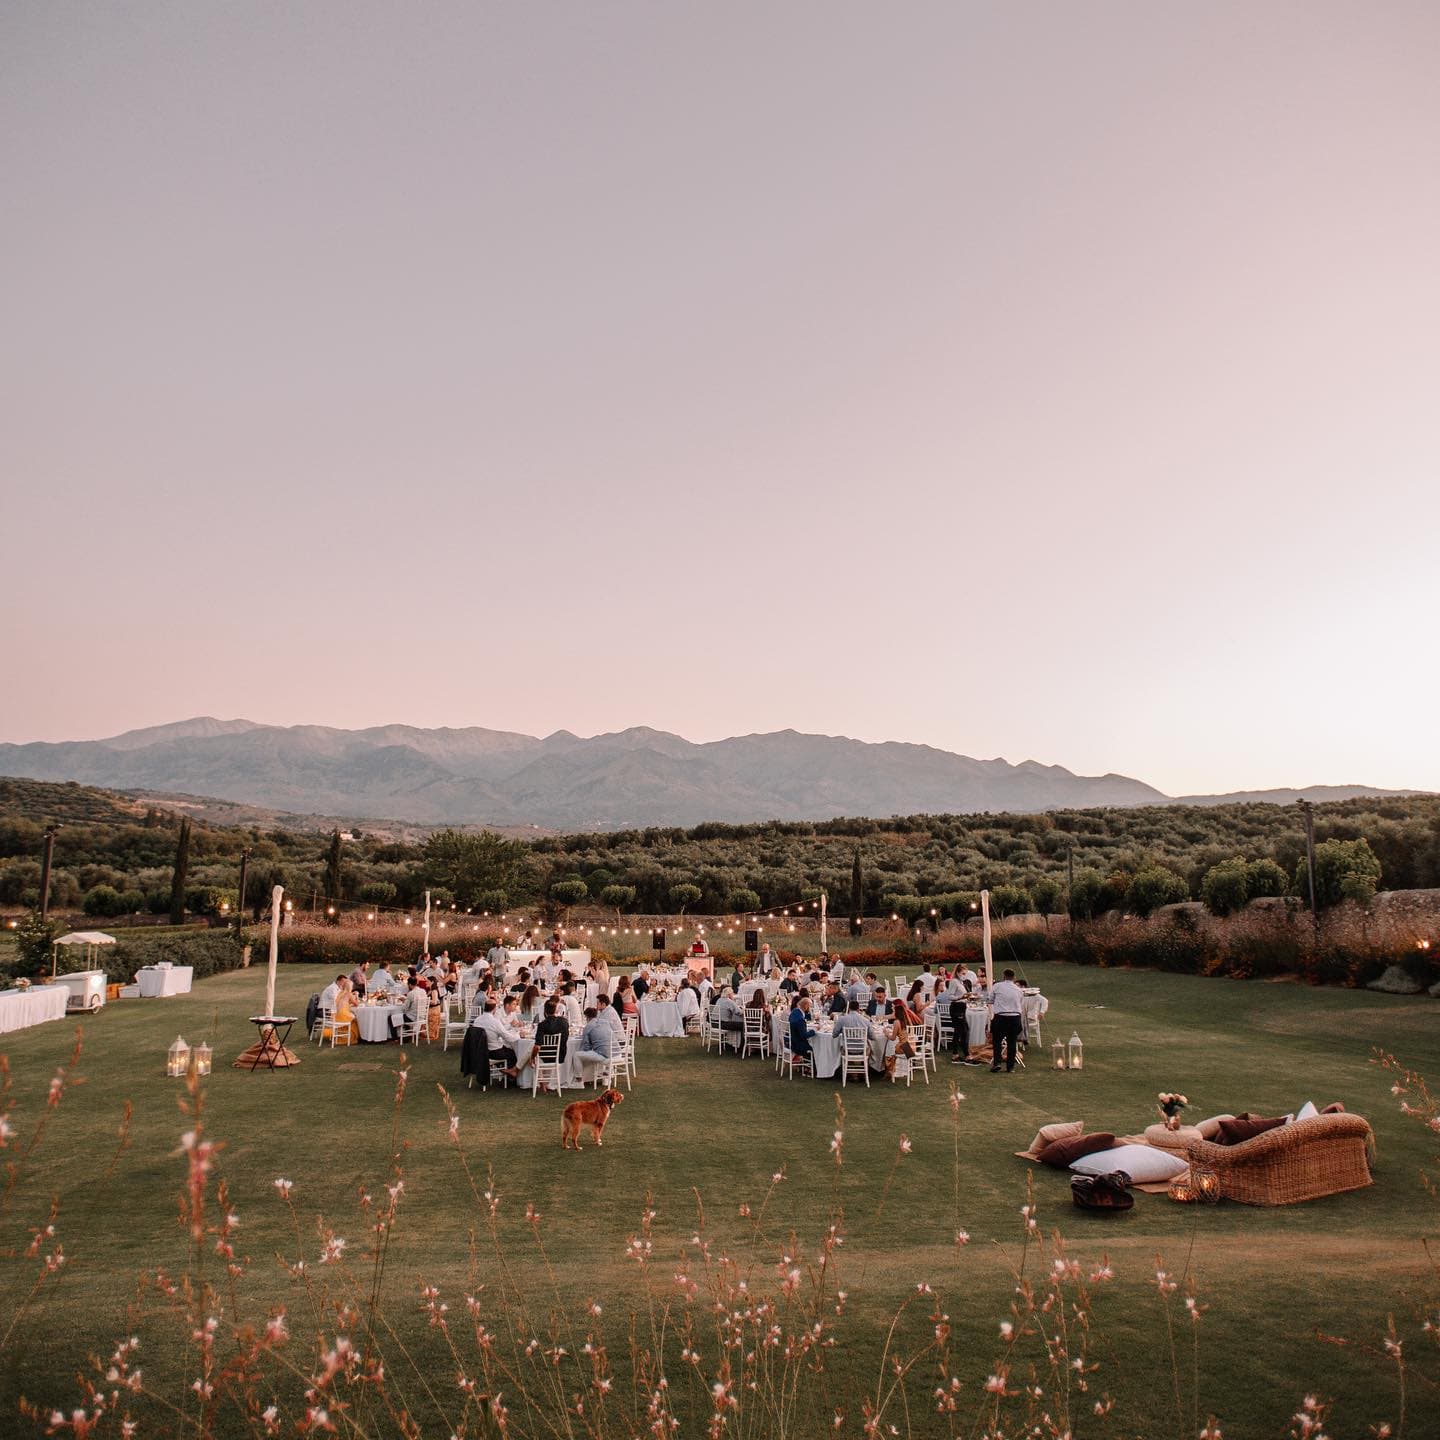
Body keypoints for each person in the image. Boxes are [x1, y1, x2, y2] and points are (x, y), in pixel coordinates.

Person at [522, 997, 570, 1091]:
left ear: (545, 1011)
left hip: (546, 1056)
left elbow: (537, 1046)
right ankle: (544, 1083)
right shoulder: (564, 1022)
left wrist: (531, 1058)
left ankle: (542, 1083)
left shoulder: (542, 1025)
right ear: (556, 1010)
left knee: (534, 1053)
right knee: (534, 1051)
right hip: (560, 1055)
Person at [472, 1000, 521, 1078]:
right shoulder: (494, 1022)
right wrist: (518, 1035)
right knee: (514, 1053)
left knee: (505, 1049)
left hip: (479, 1051)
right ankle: (509, 1077)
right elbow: (507, 1037)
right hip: (493, 1052)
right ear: (494, 1009)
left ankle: (502, 1071)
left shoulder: (477, 1020)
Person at [989, 968, 1025, 1073]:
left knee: (997, 1041)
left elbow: (990, 1000)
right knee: (1012, 1042)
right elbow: (1020, 1002)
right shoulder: (1018, 990)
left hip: (1001, 1016)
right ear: (1014, 978)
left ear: (1003, 976)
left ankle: (997, 1063)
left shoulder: (997, 986)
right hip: (1015, 1017)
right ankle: (1010, 1067)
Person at [575, 1005, 617, 1081]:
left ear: (587, 1017)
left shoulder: (588, 1027)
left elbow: (586, 1047)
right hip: (615, 1053)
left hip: (604, 1056)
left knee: (576, 1055)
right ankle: (605, 1071)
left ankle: (579, 1079)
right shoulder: (605, 1022)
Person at [787, 995, 816, 1067]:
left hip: (791, 1040)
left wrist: (810, 1015)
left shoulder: (795, 1012)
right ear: (806, 1006)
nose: (810, 1008)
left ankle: (807, 1065)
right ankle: (814, 1067)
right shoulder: (800, 1020)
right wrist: (814, 1031)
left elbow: (805, 1016)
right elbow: (804, 1036)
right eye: (810, 1006)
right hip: (797, 1045)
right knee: (817, 1046)